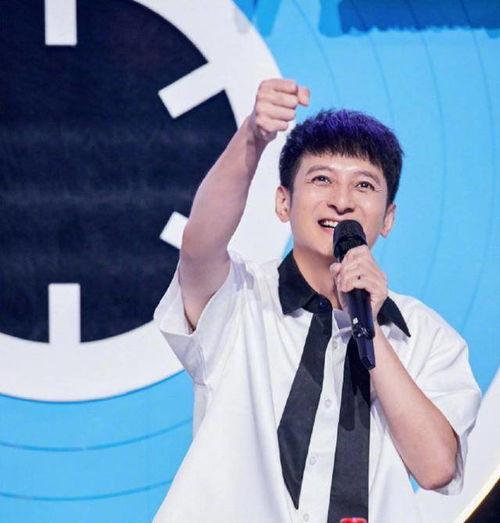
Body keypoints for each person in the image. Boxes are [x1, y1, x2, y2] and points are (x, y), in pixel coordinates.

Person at [153, 79, 481, 522]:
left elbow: (437, 468)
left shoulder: (425, 336)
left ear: (388, 218)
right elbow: (198, 247)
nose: (342, 201)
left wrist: (370, 327)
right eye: (322, 179)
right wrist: (252, 137)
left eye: (364, 185)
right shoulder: (242, 299)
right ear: (283, 202)